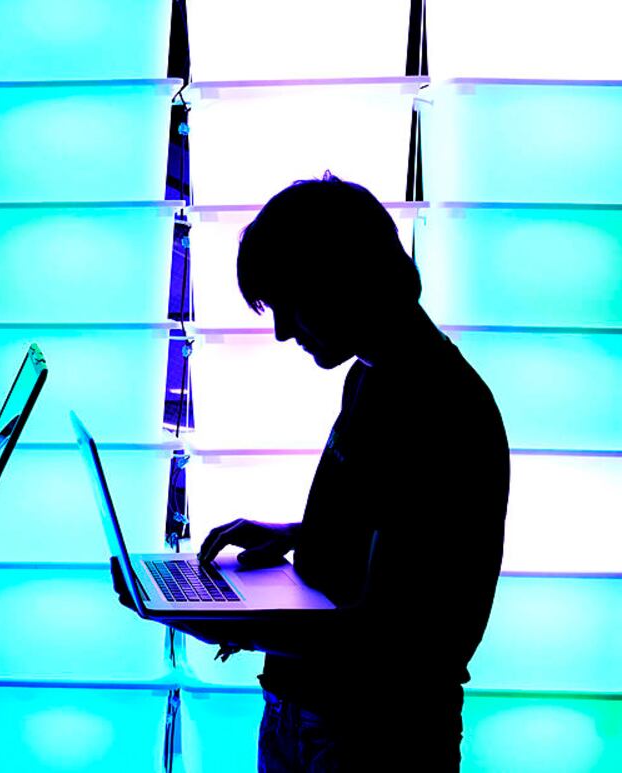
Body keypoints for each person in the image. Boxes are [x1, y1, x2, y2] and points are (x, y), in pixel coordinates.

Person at [114, 174, 509, 770]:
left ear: (340, 282)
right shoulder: (377, 376)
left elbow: (384, 637)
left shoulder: (441, 410)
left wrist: (225, 623)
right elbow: (403, 530)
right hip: (314, 717)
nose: (281, 331)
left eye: (288, 302)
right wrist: (302, 533)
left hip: (374, 735)